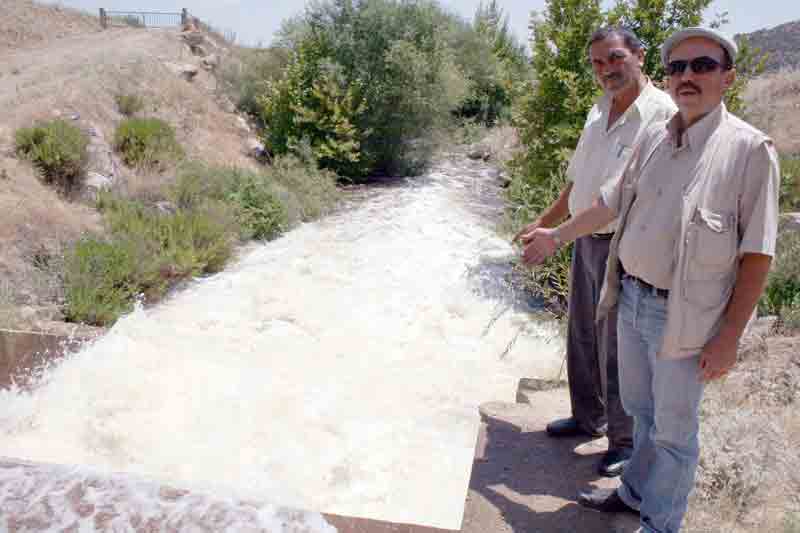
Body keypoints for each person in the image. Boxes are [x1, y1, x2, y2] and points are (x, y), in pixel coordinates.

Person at [521, 27, 780, 533]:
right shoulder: (655, 135)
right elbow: (608, 202)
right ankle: (634, 492)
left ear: (727, 77)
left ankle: (660, 524)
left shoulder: (749, 151)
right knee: (640, 412)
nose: (687, 76)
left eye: (702, 66)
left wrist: (728, 338)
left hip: (684, 317)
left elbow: (757, 255)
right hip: (631, 298)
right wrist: (555, 235)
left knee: (673, 434)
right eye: (678, 67)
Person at [513, 26, 676, 477]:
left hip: (624, 245)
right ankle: (587, 418)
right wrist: (545, 221)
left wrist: (556, 236)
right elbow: (578, 182)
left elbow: (615, 199)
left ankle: (623, 442)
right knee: (582, 333)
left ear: (639, 56)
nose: (607, 69)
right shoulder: (599, 108)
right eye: (598, 62)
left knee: (617, 347)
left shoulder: (661, 115)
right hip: (583, 237)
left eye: (616, 58)